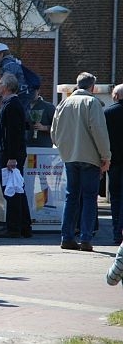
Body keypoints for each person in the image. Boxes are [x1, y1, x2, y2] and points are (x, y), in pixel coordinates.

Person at [51, 72, 111, 252]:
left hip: (69, 157)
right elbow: (99, 132)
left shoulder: (63, 103)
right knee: (89, 198)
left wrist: (64, 149)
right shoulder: (92, 103)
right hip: (90, 157)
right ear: (92, 87)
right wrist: (105, 156)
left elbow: (54, 133)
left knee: (71, 197)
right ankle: (85, 238)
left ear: (77, 85)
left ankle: (67, 237)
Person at [0, 73, 32, 239]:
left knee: (11, 191)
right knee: (17, 189)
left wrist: (12, 157)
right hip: (12, 154)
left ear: (6, 87)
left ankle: (14, 227)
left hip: (10, 156)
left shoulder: (12, 106)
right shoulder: (12, 104)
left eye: (0, 83)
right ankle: (24, 226)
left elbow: (14, 133)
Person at [0, 43, 34, 110]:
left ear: (1, 54)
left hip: (21, 95)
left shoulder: (8, 65)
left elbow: (7, 82)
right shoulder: (11, 62)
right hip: (23, 94)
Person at [105, 84, 123, 244]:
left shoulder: (108, 113)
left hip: (114, 162)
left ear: (116, 96)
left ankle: (117, 233)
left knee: (116, 198)